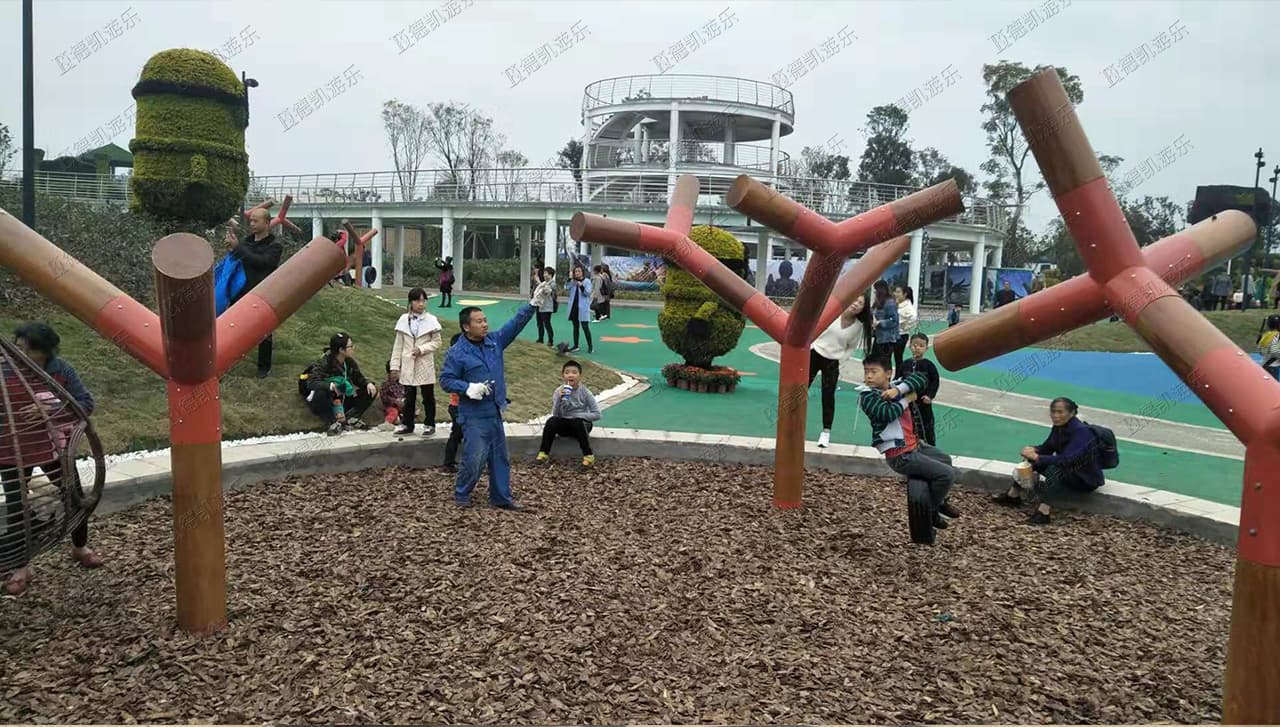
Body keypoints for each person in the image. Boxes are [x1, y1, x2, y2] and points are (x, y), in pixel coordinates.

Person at [2, 323, 104, 596]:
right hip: (11, 453)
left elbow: (85, 403)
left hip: (54, 449)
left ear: (45, 352)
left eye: (28, 350)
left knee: (75, 497)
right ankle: (21, 566)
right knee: (16, 507)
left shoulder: (61, 371)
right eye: (17, 347)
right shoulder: (4, 371)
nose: (20, 354)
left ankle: (80, 547)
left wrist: (51, 409)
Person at [440, 278, 555, 510]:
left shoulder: (494, 341)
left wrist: (532, 304)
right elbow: (445, 380)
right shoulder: (457, 352)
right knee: (475, 458)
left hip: (494, 410)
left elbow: (514, 325)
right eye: (479, 321)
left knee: (499, 457)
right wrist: (467, 388)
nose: (485, 324)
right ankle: (462, 495)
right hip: (473, 414)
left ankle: (501, 498)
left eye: (485, 320)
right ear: (466, 327)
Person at [858, 352, 960, 532]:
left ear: (888, 373)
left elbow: (921, 379)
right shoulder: (868, 397)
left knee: (945, 459)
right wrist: (906, 399)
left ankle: (941, 502)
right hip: (900, 455)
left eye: (874, 371)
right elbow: (888, 413)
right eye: (866, 372)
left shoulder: (896, 386)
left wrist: (898, 390)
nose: (869, 376)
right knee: (947, 475)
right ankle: (931, 511)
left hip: (915, 446)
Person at [992, 397, 1103, 524]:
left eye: (1060, 412)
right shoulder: (1059, 427)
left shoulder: (1082, 432)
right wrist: (1033, 450)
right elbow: (1047, 448)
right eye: (1053, 411)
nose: (1055, 416)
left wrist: (1037, 457)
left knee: (1053, 469)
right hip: (1069, 471)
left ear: (1072, 413)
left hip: (1085, 478)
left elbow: (1067, 460)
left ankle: (1043, 512)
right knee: (1031, 461)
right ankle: (1013, 496)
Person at [224, 206, 283, 378]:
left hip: (261, 294)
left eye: (256, 221)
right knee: (232, 328)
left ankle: (264, 367)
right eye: (251, 220)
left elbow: (262, 263)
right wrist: (232, 249)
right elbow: (240, 260)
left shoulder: (274, 246)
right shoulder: (246, 242)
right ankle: (226, 362)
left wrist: (238, 248)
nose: (252, 224)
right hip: (240, 291)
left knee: (264, 331)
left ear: (267, 223)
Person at [808, 291, 872, 448]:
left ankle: (826, 432)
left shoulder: (858, 327)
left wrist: (840, 361)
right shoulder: (832, 314)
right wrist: (811, 346)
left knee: (828, 396)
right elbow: (814, 328)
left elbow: (851, 347)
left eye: (860, 303)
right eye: (854, 300)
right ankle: (790, 421)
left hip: (832, 361)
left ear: (863, 308)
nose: (856, 304)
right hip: (814, 353)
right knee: (801, 389)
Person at [389, 288, 443, 437]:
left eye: (423, 300)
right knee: (409, 395)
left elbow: (437, 342)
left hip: (424, 362)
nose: (421, 304)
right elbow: (398, 345)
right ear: (411, 302)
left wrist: (422, 349)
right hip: (408, 363)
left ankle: (429, 423)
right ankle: (407, 423)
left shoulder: (431, 320)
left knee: (427, 395)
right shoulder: (403, 320)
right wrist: (395, 366)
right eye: (417, 300)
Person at [300, 333, 377, 435]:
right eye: (350, 346)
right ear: (341, 350)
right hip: (327, 398)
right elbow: (312, 382)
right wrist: (331, 386)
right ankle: (332, 422)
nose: (353, 348)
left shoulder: (349, 362)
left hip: (343, 396)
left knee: (370, 390)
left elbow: (358, 377)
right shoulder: (324, 362)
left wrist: (368, 383)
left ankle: (351, 418)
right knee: (321, 393)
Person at [535, 360, 602, 468]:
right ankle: (543, 453)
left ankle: (588, 456)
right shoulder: (558, 391)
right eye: (567, 372)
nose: (570, 375)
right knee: (551, 421)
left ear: (580, 376)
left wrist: (577, 416)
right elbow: (556, 414)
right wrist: (559, 400)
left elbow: (597, 414)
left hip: (581, 425)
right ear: (563, 375)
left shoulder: (586, 392)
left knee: (577, 422)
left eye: (574, 372)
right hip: (565, 425)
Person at [898, 333, 940, 446]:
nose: (917, 348)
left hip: (923, 403)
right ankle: (910, 447)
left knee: (927, 427)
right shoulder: (905, 364)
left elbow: (935, 382)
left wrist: (930, 396)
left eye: (921, 346)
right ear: (909, 346)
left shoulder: (929, 365)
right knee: (908, 426)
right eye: (915, 345)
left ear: (926, 348)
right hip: (907, 403)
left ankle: (930, 447)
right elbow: (898, 379)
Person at [441, 333, 465, 472]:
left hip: (459, 406)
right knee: (457, 433)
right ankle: (448, 463)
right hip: (457, 406)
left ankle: (450, 462)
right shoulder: (455, 363)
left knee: (458, 434)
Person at [565, 264, 594, 354]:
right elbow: (566, 288)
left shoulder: (587, 281)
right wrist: (569, 279)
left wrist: (581, 286)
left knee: (585, 327)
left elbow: (587, 293)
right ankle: (576, 345)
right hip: (574, 307)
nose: (577, 273)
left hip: (583, 308)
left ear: (582, 272)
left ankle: (590, 347)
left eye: (579, 271)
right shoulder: (573, 282)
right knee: (575, 327)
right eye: (575, 271)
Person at [871, 280, 900, 365]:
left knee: (884, 362)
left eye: (876, 290)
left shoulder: (890, 303)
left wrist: (879, 322)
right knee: (875, 360)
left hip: (887, 339)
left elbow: (894, 320)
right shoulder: (878, 302)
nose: (874, 293)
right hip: (879, 337)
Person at [892, 285, 917, 375]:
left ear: (905, 294)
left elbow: (913, 318)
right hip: (892, 334)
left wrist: (904, 326)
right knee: (888, 357)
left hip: (901, 335)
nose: (896, 294)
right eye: (895, 291)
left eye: (898, 292)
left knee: (898, 358)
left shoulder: (908, 307)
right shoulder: (896, 303)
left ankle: (898, 376)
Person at [379, 360, 405, 431]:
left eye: (397, 372)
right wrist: (395, 401)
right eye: (393, 373)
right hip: (390, 406)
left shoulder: (402, 384)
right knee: (393, 412)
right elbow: (384, 397)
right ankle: (387, 423)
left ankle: (400, 419)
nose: (395, 375)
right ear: (389, 373)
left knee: (409, 409)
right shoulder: (386, 384)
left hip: (401, 405)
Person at [534, 267, 557, 347]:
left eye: (545, 273)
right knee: (539, 324)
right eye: (544, 273)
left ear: (550, 275)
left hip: (547, 307)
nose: (544, 275)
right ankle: (540, 339)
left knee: (547, 324)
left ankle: (550, 340)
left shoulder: (553, 284)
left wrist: (538, 281)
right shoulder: (544, 282)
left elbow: (546, 290)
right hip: (540, 306)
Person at [1259, 314, 1280, 381]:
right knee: (1274, 384)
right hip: (1273, 365)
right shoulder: (1277, 335)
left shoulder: (1266, 335)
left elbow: (1260, 351)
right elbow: (1275, 351)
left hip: (1265, 363)